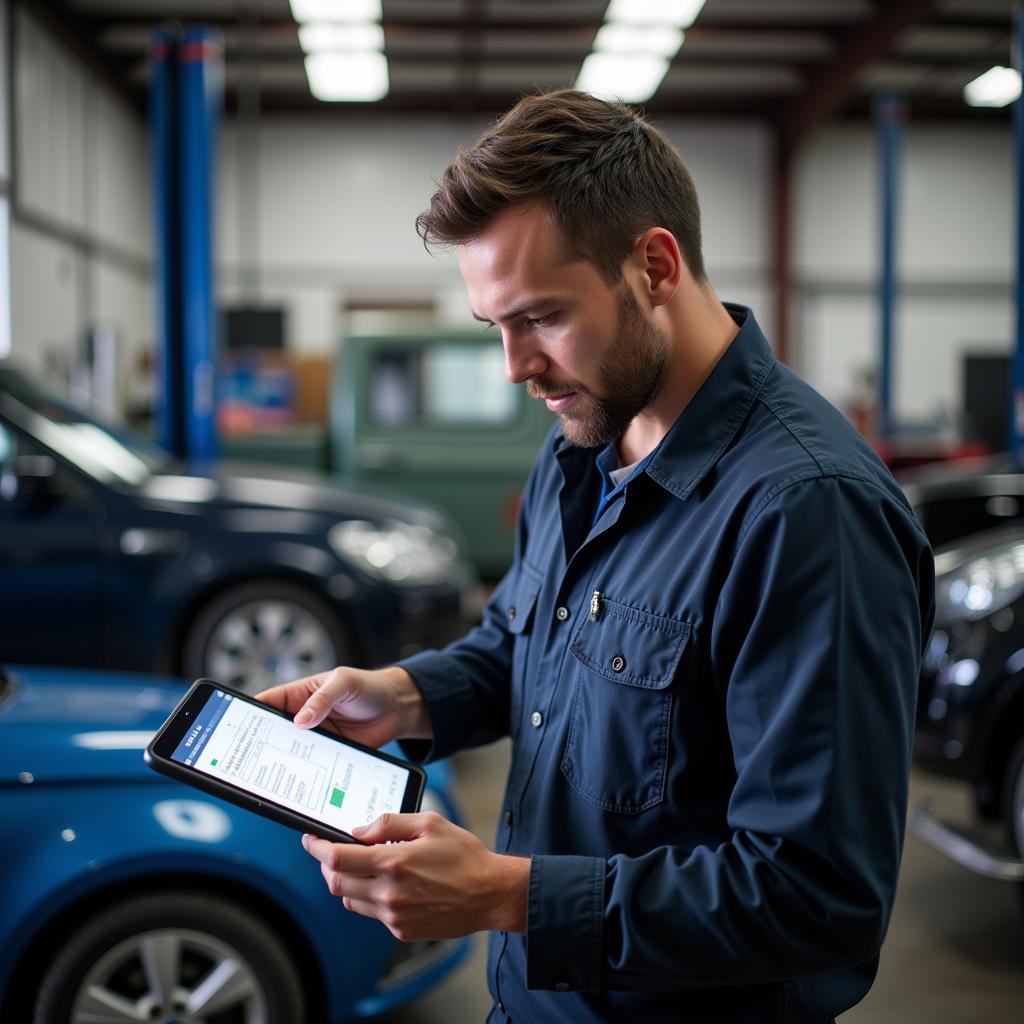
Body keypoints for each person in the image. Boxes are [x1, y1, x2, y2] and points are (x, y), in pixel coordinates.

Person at [260, 89, 934, 1024]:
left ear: (654, 265)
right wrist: (409, 697)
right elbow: (520, 644)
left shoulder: (807, 514)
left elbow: (820, 895)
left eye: (539, 316)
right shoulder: (584, 442)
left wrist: (508, 896)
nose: (514, 367)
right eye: (494, 325)